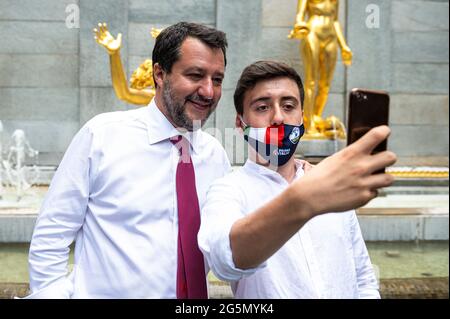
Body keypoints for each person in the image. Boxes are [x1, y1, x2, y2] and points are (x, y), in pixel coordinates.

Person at [27, 22, 230, 299]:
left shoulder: (216, 155)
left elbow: (228, 245)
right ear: (159, 73)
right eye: (195, 75)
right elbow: (52, 233)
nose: (208, 91)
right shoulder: (101, 136)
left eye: (217, 79)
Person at [198, 61, 397, 298]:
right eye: (262, 107)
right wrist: (303, 199)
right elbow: (226, 261)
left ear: (302, 118)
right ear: (240, 124)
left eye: (289, 105)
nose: (278, 117)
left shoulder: (332, 185)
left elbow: (363, 279)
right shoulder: (228, 190)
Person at [288, 0, 352, 137]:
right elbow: (300, 16)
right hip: (313, 33)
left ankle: (316, 117)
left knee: (325, 85)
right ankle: (308, 124)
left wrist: (344, 46)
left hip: (331, 37)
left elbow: (335, 21)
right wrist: (299, 25)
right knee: (311, 81)